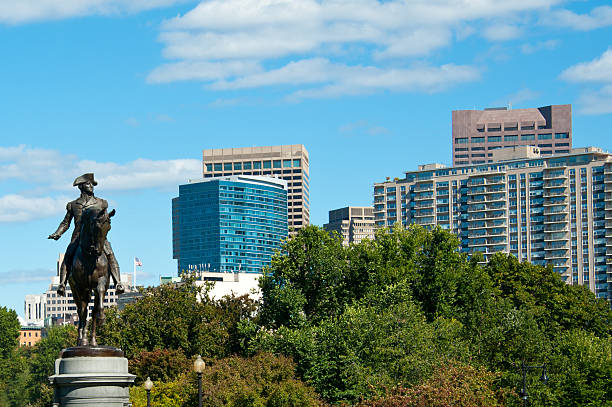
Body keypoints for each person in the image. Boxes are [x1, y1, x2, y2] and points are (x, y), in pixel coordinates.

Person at [48, 173, 124, 296]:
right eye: (88, 184)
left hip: (97, 237)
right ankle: (62, 283)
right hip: (78, 237)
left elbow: (104, 220)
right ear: (81, 186)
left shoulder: (101, 203)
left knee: (110, 254)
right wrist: (57, 233)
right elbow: (66, 223)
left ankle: (118, 282)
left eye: (92, 184)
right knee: (68, 255)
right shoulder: (73, 205)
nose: (91, 186)